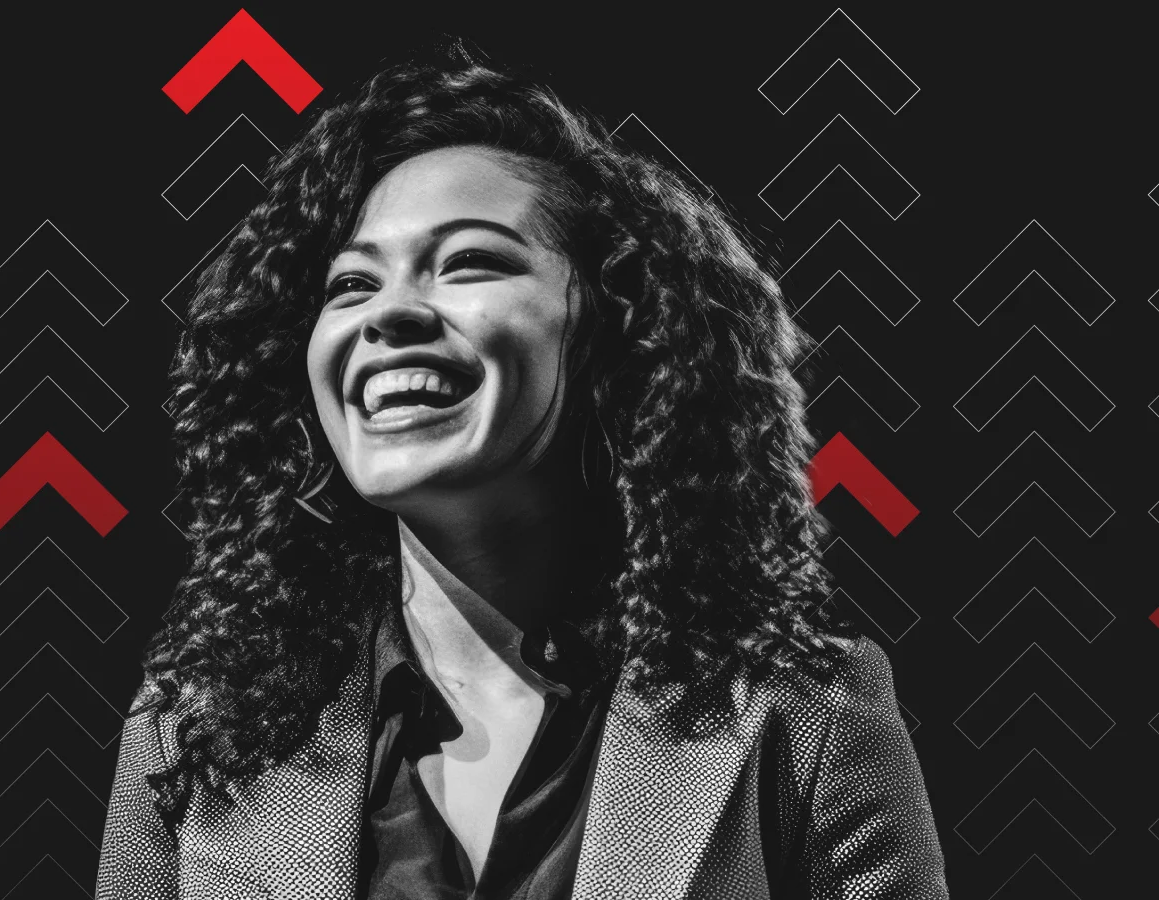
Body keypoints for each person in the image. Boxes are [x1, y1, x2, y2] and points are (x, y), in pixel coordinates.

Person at [97, 40, 948, 900]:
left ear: (618, 332)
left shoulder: (807, 715)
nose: (389, 312)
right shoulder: (193, 734)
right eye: (350, 284)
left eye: (469, 260)